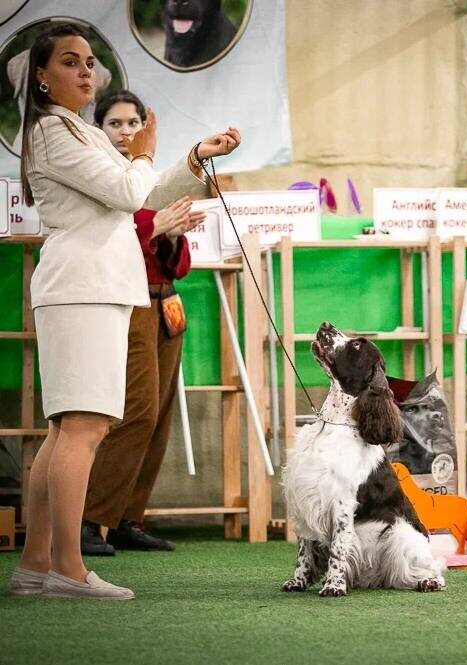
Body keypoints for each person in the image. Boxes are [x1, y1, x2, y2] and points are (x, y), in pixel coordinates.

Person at [9, 23, 240, 600]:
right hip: (82, 287)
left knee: (65, 429)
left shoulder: (79, 131)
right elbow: (130, 193)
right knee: (82, 429)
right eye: (70, 62)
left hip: (92, 286)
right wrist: (145, 153)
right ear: (42, 77)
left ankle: (36, 565)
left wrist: (192, 157)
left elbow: (141, 192)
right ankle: (67, 568)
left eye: (90, 62)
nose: (86, 71)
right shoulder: (52, 132)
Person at [80, 90, 198, 555]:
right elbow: (104, 241)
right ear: (99, 130)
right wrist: (154, 226)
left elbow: (178, 266)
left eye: (134, 123)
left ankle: (128, 517)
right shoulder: (103, 179)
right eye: (115, 124)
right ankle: (90, 519)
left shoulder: (151, 181)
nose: (126, 132)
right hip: (130, 305)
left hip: (166, 304)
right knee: (136, 411)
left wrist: (173, 234)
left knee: (160, 416)